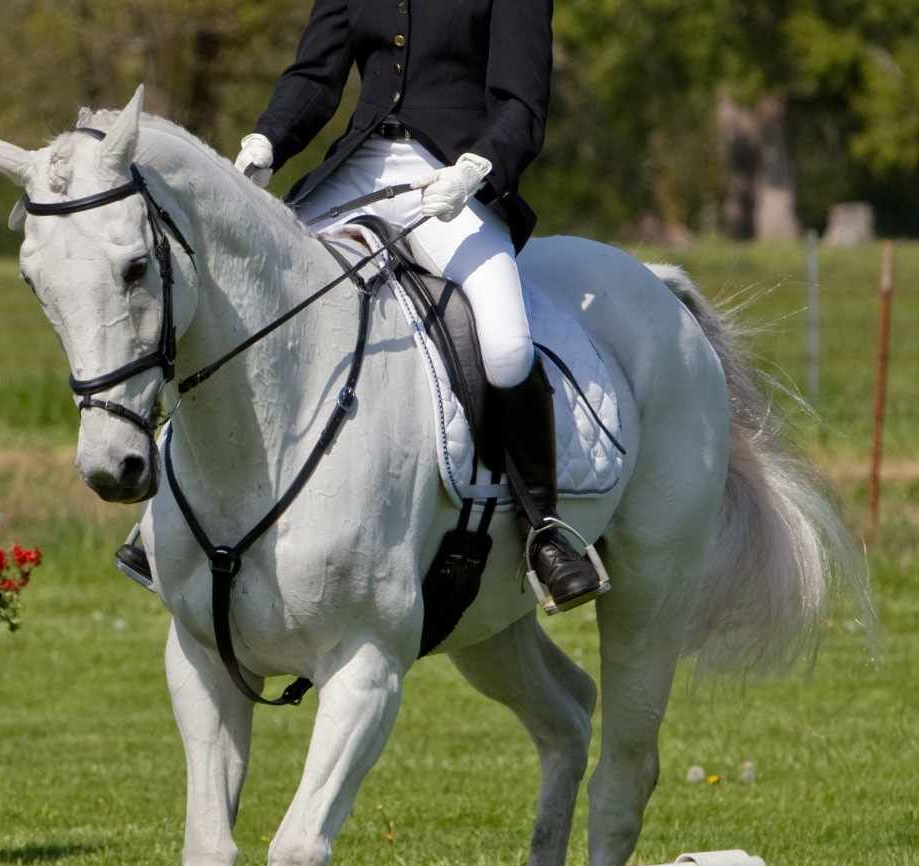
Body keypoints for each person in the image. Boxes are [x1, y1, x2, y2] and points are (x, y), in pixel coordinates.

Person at [119, 0, 602, 612]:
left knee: (506, 346)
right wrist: (267, 139)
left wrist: (478, 166)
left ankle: (545, 530)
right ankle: (164, 505)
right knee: (242, 300)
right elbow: (315, 78)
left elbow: (521, 105)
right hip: (355, 172)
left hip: (450, 181)